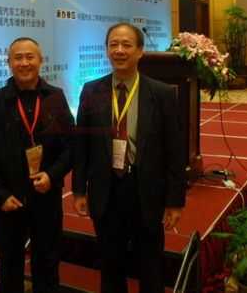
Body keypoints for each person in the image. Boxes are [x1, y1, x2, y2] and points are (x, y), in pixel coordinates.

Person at [72, 23, 186, 293]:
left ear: (140, 51)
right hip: (106, 189)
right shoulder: (91, 91)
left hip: (146, 190)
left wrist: (174, 200)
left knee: (150, 265)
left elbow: (175, 150)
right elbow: (81, 145)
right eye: (113, 44)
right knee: (110, 265)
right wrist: (78, 190)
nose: (119, 50)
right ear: (106, 50)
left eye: (126, 44)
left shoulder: (162, 93)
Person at [0, 37, 74, 293]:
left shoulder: (56, 98)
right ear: (9, 63)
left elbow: (71, 146)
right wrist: (0, 194)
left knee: (48, 261)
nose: (24, 62)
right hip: (10, 199)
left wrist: (52, 176)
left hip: (46, 195)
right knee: (9, 264)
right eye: (18, 58)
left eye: (30, 57)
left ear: (40, 61)